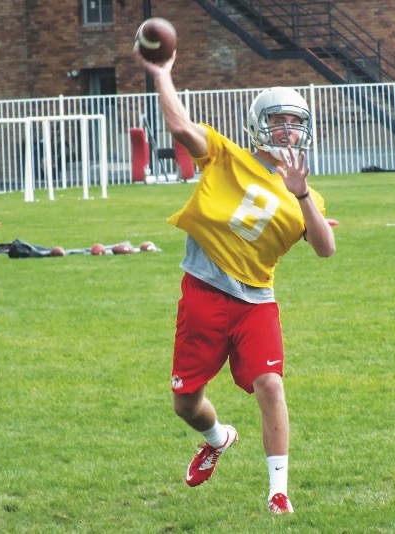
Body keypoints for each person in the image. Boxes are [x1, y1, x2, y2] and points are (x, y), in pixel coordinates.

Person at [136, 51, 336, 513]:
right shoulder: (226, 156)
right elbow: (183, 130)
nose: (287, 129)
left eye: (294, 121)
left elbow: (325, 247)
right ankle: (218, 437)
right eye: (278, 120)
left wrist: (302, 195)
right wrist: (164, 74)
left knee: (270, 385)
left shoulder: (308, 190)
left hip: (256, 302)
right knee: (186, 403)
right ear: (259, 125)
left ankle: (278, 491)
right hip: (204, 291)